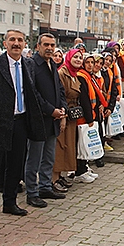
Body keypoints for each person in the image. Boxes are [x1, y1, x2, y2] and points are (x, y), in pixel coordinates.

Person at [0, 29, 46, 225]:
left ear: (25, 44)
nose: (16, 43)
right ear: (4, 43)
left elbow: (31, 92)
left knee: (16, 164)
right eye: (12, 40)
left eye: (20, 40)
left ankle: (10, 202)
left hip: (21, 121)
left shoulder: (28, 64)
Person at [24, 34, 68, 209]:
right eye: (46, 45)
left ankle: (45, 186)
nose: (49, 48)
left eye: (52, 45)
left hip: (54, 120)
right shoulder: (32, 65)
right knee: (34, 158)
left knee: (49, 157)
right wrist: (51, 110)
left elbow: (60, 90)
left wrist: (62, 108)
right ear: (38, 46)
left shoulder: (53, 64)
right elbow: (33, 93)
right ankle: (32, 193)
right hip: (38, 119)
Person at [52, 49, 83, 192]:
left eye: (80, 57)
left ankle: (59, 176)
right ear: (68, 58)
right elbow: (60, 97)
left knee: (67, 146)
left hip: (72, 115)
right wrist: (62, 117)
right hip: (64, 114)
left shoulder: (74, 74)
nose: (78, 60)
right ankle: (53, 179)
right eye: (75, 57)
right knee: (60, 146)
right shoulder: (62, 73)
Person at [75, 53, 107, 183]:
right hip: (84, 117)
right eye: (87, 62)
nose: (90, 65)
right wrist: (89, 119)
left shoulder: (90, 76)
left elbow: (96, 94)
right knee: (82, 144)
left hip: (92, 114)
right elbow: (84, 99)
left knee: (86, 143)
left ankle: (84, 167)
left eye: (92, 63)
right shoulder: (81, 76)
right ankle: (79, 171)